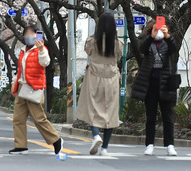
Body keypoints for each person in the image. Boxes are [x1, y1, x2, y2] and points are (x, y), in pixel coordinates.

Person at [9, 25, 64, 156]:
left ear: (38, 35)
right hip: (22, 87)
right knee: (18, 119)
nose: (28, 36)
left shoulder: (41, 49)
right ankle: (21, 146)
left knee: (39, 118)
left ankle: (56, 140)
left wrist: (41, 50)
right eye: (26, 33)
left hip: (34, 87)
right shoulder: (23, 51)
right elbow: (20, 70)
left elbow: (45, 63)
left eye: (32, 34)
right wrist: (14, 83)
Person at [77, 10, 124, 156]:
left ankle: (96, 136)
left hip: (94, 77)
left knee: (93, 108)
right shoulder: (118, 43)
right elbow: (119, 56)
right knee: (110, 112)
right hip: (111, 79)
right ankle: (105, 148)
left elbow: (88, 51)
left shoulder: (92, 41)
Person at [132, 17, 179, 156]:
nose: (158, 31)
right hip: (150, 84)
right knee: (150, 116)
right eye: (155, 29)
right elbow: (141, 49)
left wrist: (168, 36)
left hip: (165, 84)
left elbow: (173, 49)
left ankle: (170, 145)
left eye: (160, 29)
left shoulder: (167, 42)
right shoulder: (149, 43)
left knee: (168, 117)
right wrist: (151, 37)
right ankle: (150, 144)